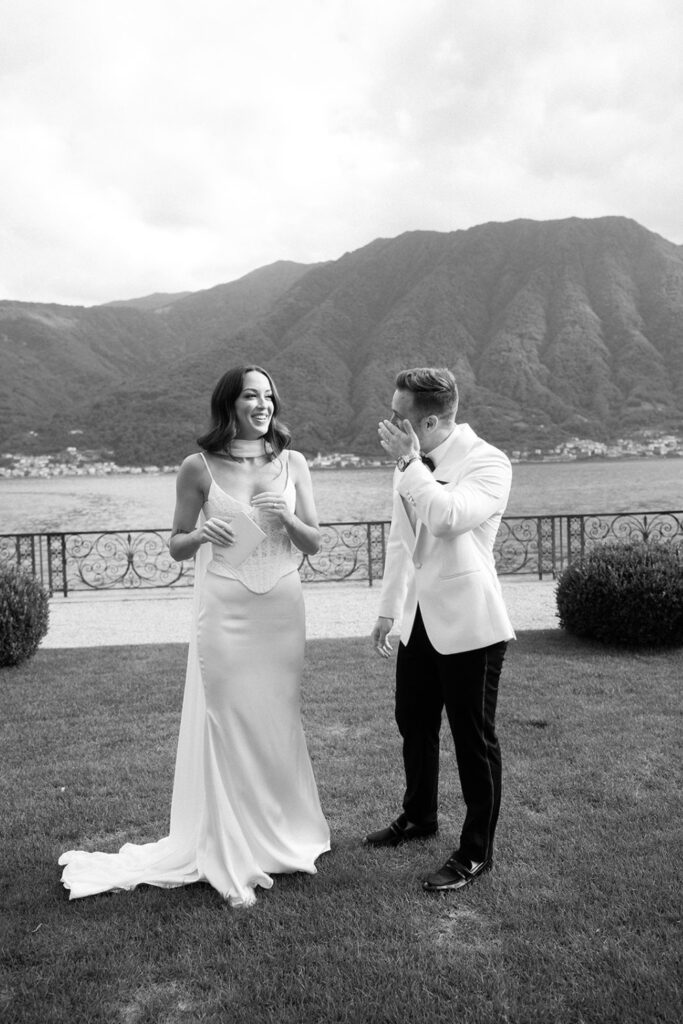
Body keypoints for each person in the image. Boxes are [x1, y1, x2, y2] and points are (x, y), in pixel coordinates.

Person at [59, 365, 330, 907]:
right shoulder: (197, 467)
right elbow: (177, 544)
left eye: (269, 396)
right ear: (229, 403)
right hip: (225, 611)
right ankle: (229, 852)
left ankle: (278, 835)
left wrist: (288, 520)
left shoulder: (292, 463)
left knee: (276, 721)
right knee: (226, 721)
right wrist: (202, 531)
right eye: (251, 396)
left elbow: (315, 542)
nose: (263, 405)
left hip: (281, 609)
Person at [364, 367, 514, 893]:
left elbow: (449, 517)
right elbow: (402, 543)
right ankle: (419, 816)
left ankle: (475, 852)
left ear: (426, 421)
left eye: (397, 416)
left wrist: (408, 463)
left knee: (473, 739)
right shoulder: (409, 464)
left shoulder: (488, 462)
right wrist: (389, 610)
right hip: (419, 622)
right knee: (413, 720)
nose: (388, 424)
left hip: (471, 624)